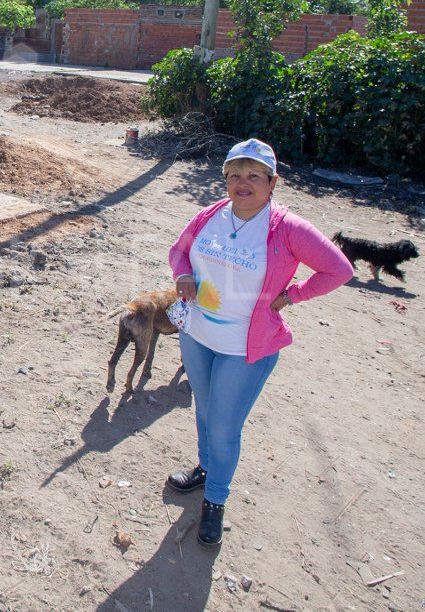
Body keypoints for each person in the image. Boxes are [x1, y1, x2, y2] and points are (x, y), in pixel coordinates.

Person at [166, 138, 351, 546]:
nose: (242, 183)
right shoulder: (211, 214)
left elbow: (338, 269)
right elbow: (178, 252)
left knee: (224, 424)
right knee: (203, 409)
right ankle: (205, 468)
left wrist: (292, 296)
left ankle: (215, 501)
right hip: (198, 335)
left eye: (253, 176)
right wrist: (182, 275)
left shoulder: (288, 228)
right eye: (234, 175)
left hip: (244, 347)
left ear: (272, 182)